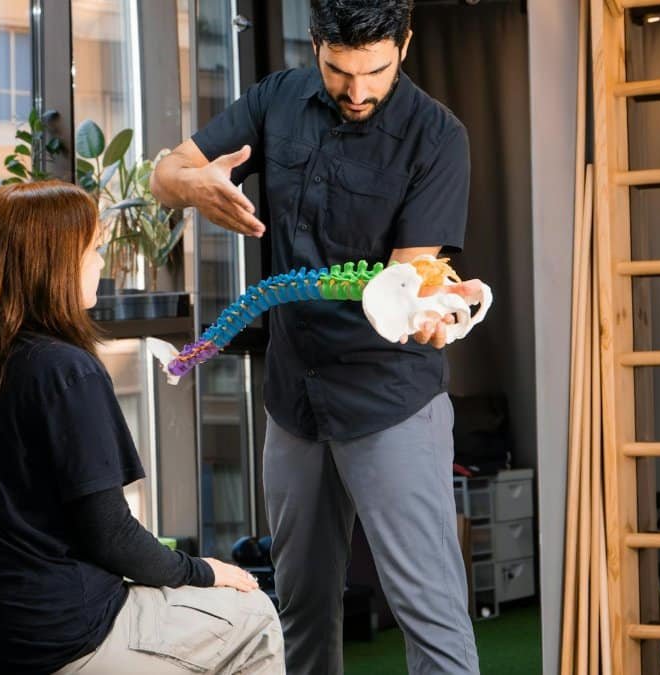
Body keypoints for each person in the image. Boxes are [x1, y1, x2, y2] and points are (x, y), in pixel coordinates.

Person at [151, 1, 480, 673]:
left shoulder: (437, 137)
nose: (356, 92)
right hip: (293, 402)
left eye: (376, 72)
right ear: (315, 45)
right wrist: (193, 183)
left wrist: (428, 307)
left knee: (432, 616)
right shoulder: (278, 98)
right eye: (338, 70)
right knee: (298, 611)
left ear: (405, 45)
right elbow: (166, 171)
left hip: (389, 398)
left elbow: (408, 276)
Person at [0, 181, 284, 675]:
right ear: (53, 263)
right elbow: (112, 537)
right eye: (92, 250)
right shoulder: (67, 370)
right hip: (52, 639)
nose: (101, 264)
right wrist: (205, 572)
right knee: (254, 614)